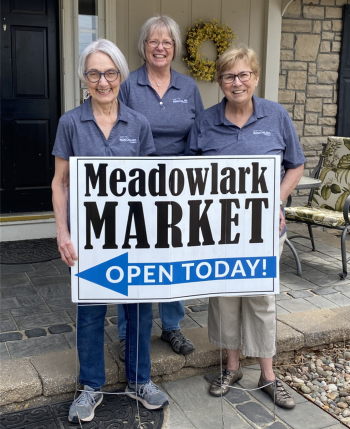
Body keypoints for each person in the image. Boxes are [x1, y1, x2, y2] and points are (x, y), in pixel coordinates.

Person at [51, 39, 169, 424]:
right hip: (88, 237)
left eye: (110, 73)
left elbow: (153, 183)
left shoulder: (138, 123)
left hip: (133, 235)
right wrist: (62, 232)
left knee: (138, 310)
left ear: (120, 75)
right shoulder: (71, 121)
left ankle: (139, 380)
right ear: (85, 79)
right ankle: (91, 386)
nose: (103, 82)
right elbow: (61, 182)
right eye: (94, 73)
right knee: (90, 312)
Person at [186, 44, 305, 408]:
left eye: (243, 75)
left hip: (264, 229)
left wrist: (278, 199)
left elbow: (295, 165)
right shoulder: (205, 121)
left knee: (261, 299)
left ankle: (268, 375)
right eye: (228, 76)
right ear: (220, 81)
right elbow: (189, 174)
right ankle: (232, 367)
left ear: (254, 77)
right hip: (219, 230)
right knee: (224, 298)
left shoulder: (276, 115)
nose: (236, 82)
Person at [117, 15, 204, 360]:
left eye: (166, 42)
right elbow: (119, 131)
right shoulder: (128, 85)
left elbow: (198, 136)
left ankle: (172, 326)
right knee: (134, 256)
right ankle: (129, 334)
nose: (160, 47)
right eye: (153, 41)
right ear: (143, 46)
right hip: (136, 186)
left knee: (172, 255)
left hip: (177, 187)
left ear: (175, 48)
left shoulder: (189, 88)